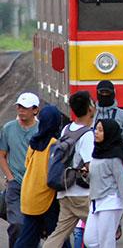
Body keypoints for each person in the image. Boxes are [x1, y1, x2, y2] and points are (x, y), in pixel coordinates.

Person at [44, 91, 97, 248]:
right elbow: (90, 166)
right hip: (81, 194)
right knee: (102, 230)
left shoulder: (67, 129)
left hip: (64, 191)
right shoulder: (87, 135)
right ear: (89, 109)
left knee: (60, 233)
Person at [14, 105, 63, 247]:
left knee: (28, 236)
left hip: (29, 193)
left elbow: (26, 164)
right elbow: (55, 171)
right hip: (45, 195)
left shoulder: (34, 142)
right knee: (58, 235)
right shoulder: (54, 144)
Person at [84, 119, 123, 248]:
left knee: (106, 242)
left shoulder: (115, 157)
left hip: (110, 202)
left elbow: (122, 183)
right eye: (96, 129)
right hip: (95, 202)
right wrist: (85, 175)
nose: (96, 133)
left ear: (109, 133)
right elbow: (94, 178)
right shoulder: (96, 153)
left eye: (100, 130)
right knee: (90, 240)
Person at [0, 92, 40, 247]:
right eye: (19, 107)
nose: (21, 110)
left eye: (25, 108)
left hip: (35, 185)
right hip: (15, 184)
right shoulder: (8, 129)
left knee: (32, 225)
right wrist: (10, 177)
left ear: (35, 110)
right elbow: (2, 154)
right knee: (17, 224)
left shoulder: (40, 130)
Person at [94, 80, 123, 145]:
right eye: (102, 92)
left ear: (113, 94)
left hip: (116, 152)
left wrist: (119, 131)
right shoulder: (91, 114)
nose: (104, 95)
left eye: (107, 92)